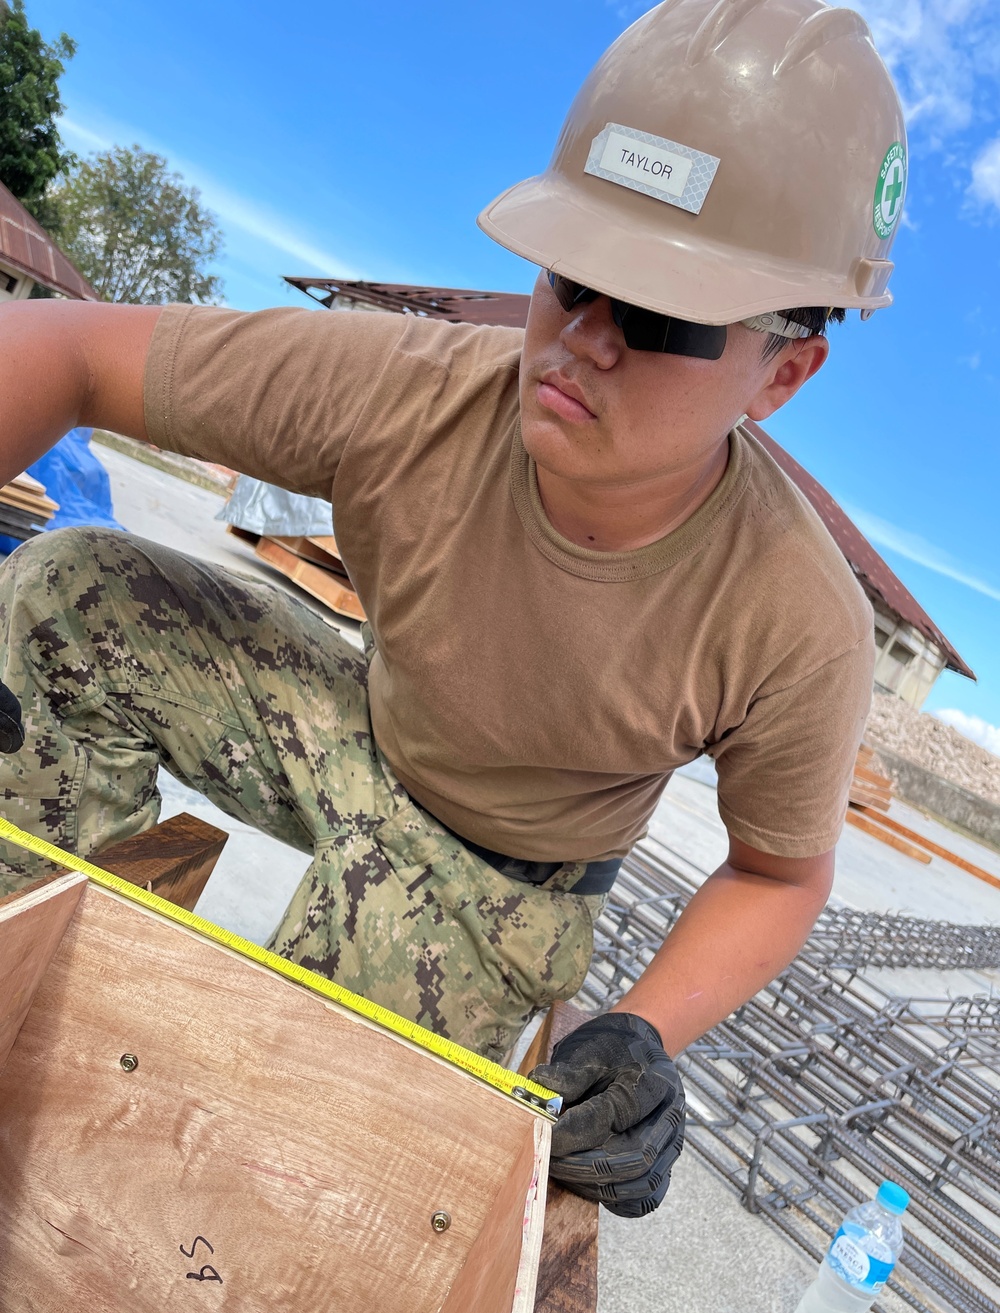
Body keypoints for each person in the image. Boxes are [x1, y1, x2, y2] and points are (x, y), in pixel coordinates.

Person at [0, 0, 906, 1217]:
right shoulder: (415, 393)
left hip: (500, 880)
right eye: (570, 279)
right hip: (358, 728)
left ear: (784, 371)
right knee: (73, 588)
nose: (580, 340)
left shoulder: (792, 618)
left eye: (655, 315)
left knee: (277, 1187)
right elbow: (63, 346)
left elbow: (778, 875)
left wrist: (637, 1035)